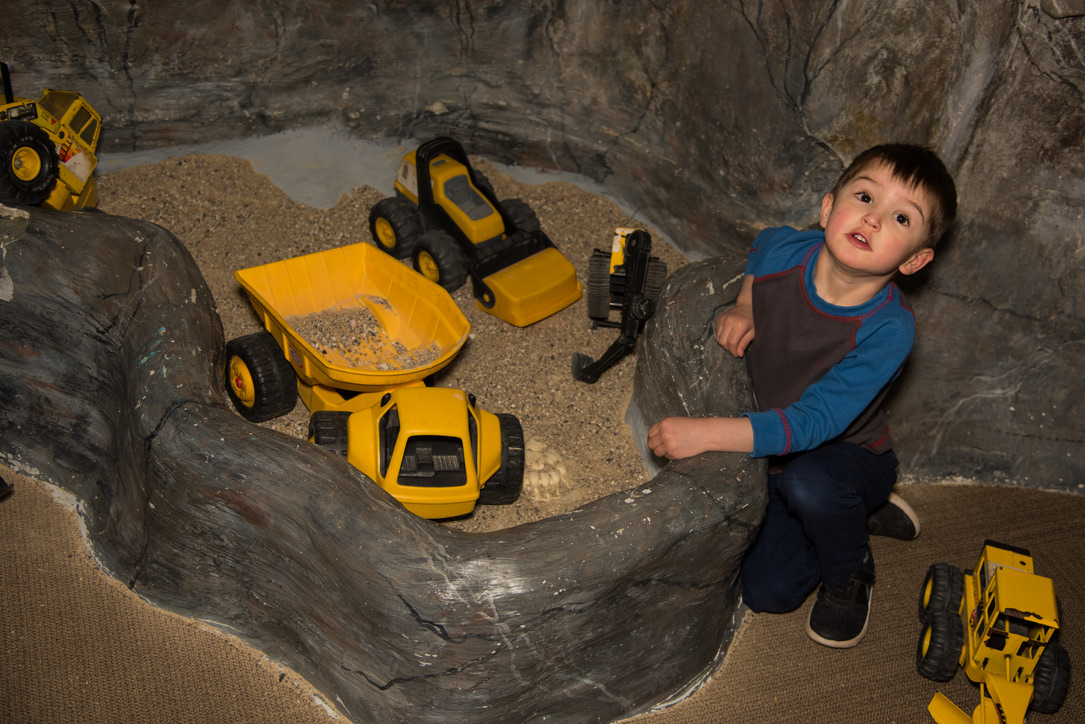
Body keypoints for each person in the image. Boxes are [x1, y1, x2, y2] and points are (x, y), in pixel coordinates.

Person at [647, 144, 957, 648]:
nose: (873, 219)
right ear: (829, 208)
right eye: (865, 197)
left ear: (915, 259)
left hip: (844, 453)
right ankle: (851, 514)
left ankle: (851, 566)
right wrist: (747, 303)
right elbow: (765, 243)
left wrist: (706, 433)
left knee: (811, 487)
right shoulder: (790, 253)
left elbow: (813, 423)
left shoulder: (889, 330)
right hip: (776, 452)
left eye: (901, 217)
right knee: (766, 590)